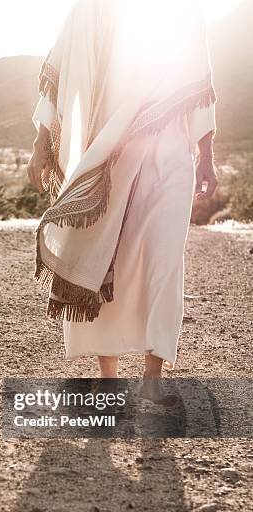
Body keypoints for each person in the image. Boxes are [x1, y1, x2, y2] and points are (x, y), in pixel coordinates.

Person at [27, 0, 218, 402]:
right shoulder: (92, 7)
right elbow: (60, 66)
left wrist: (207, 156)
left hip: (171, 153)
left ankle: (153, 376)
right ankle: (109, 376)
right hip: (112, 153)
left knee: (165, 259)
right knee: (107, 255)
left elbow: (200, 76)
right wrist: (41, 144)